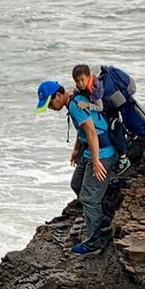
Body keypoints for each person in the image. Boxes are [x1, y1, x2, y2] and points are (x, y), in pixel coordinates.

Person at [36, 80, 116, 254]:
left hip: (102, 153)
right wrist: (76, 150)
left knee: (89, 198)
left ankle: (94, 241)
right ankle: (97, 219)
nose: (49, 107)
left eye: (50, 103)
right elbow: (83, 131)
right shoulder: (73, 100)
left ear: (58, 95)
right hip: (89, 151)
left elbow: (91, 131)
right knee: (76, 184)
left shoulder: (74, 106)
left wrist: (96, 162)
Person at [72, 64, 131, 176]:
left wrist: (87, 105)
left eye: (82, 80)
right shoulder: (83, 87)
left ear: (89, 77)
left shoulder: (95, 89)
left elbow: (100, 107)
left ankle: (124, 159)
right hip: (103, 113)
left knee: (114, 132)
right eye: (77, 81)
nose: (80, 84)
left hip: (109, 111)